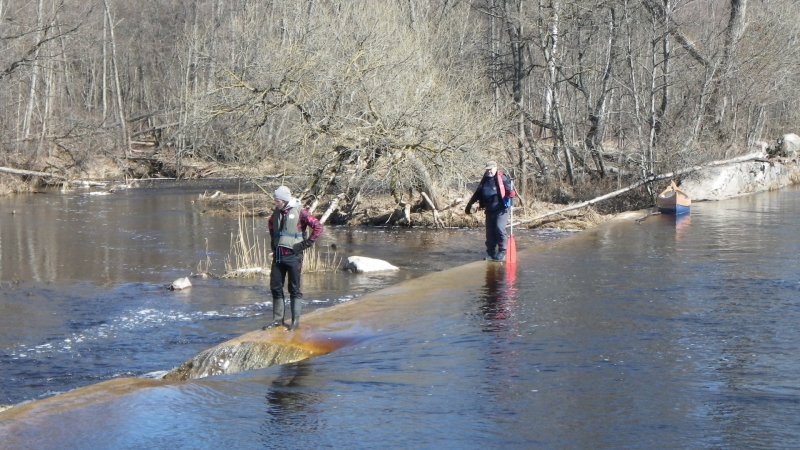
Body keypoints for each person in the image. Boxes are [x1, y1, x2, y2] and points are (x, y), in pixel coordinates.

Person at [264, 185, 324, 331]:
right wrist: (274, 244)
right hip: (279, 256)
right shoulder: (277, 212)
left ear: (284, 200)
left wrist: (306, 243)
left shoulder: (301, 212)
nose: (275, 202)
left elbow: (318, 227)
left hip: (294, 256)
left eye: (277, 200)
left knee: (294, 289)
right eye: (275, 200)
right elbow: (271, 225)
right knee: (275, 287)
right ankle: (277, 320)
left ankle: (295, 322)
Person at [464, 161, 515, 261]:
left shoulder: (502, 178)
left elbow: (509, 191)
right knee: (490, 232)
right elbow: (477, 193)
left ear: (495, 168)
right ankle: (491, 253)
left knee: (499, 228)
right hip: (489, 209)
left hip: (501, 209)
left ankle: (502, 251)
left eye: (491, 169)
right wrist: (469, 205)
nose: (489, 171)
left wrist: (511, 193)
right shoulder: (485, 180)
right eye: (487, 170)